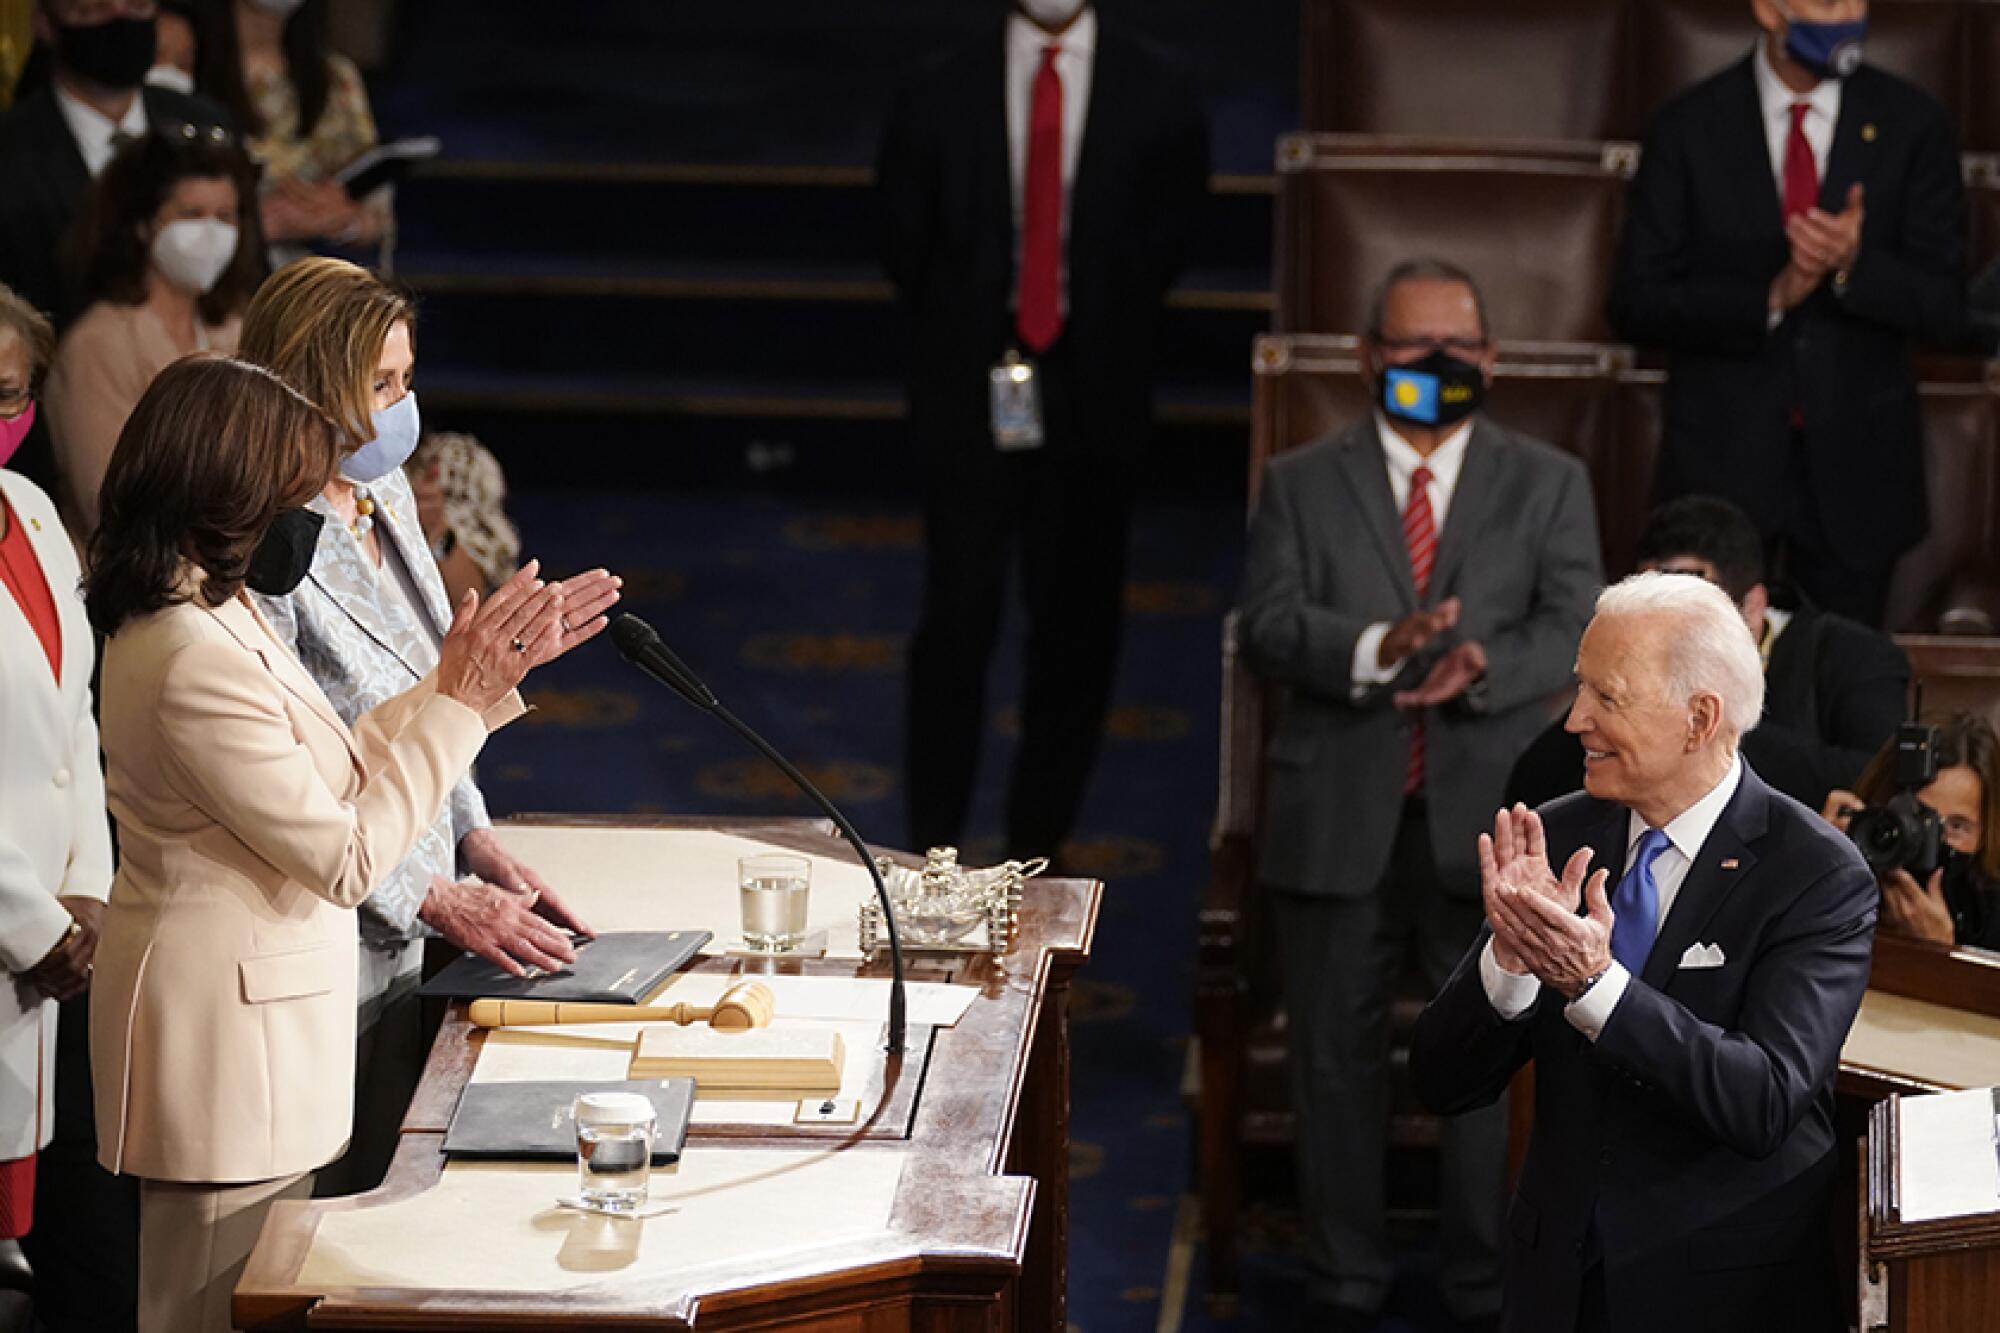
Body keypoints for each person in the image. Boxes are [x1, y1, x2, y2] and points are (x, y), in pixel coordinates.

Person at [84, 354, 608, 1333]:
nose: (309, 517)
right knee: (203, 1312)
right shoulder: (182, 651)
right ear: (228, 487)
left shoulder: (215, 603)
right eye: (292, 492)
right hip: (225, 1058)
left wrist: (474, 681)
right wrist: (455, 702)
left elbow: (337, 756)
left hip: (263, 1046)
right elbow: (346, 856)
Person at [1236, 258, 1602, 1332]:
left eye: (1457, 349)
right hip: (1335, 818)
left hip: (1493, 824)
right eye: (1411, 349)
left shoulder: (1549, 482)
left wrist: (1480, 659)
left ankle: (1485, 1287)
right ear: (1367, 359)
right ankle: (1342, 1286)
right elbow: (1261, 623)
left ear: (1488, 360)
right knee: (1331, 1063)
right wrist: (1371, 646)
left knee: (1491, 1064)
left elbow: (1578, 623)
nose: (1435, 367)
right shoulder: (1301, 479)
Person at [238, 256, 617, 1195]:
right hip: (325, 913)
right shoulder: (259, 539)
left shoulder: (385, 492)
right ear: (309, 386)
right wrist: (433, 895)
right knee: (325, 1204)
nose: (402, 407)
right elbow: (296, 763)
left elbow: (432, 683)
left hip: (415, 886)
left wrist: (471, 833)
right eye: (379, 385)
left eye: (408, 378)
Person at [1412, 572, 1877, 1333]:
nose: (1575, 721)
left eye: (1608, 697)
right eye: (1579, 689)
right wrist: (1510, 961)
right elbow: (1440, 1080)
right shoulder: (1560, 835)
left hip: (1719, 1296)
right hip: (1555, 1288)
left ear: (1699, 718)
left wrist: (1595, 984)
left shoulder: (1816, 874)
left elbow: (1761, 1101)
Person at [877, 0, 1209, 861]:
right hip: (970, 396)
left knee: (1077, 634)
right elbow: (906, 243)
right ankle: (931, 849)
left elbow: (1170, 236)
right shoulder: (937, 87)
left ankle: (1037, 844)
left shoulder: (1161, 90)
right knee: (956, 624)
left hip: (1096, 400)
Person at [1607, 0, 1965, 628]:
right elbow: (1636, 301)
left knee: (1838, 695)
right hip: (1720, 468)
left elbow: (1949, 307)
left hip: (1859, 475)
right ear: (1769, 9)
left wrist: (1854, 265)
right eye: (1827, 0)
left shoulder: (1912, 123)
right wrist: (1770, 296)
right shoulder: (1687, 125)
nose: (1849, 12)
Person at [1507, 494, 1907, 812]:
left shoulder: (1854, 658)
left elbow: (1882, 777)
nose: (1661, 628)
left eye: (1686, 611)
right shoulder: (1623, 670)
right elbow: (1537, 780)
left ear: (1752, 607)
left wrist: (1699, 725)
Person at [0, 284, 115, 1321]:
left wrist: (88, 888)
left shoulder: (34, 512)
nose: (0, 422)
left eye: (11, 398)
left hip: (53, 947)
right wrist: (32, 923)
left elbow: (75, 716)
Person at [43, 124, 261, 538]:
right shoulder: (98, 344)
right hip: (134, 585)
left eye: (225, 216)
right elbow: (106, 505)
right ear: (143, 224)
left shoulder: (238, 327)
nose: (211, 234)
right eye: (191, 215)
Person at [0, 0, 233, 325]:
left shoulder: (207, 123)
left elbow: (249, 269)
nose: (118, 18)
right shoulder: (10, 151)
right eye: (92, 9)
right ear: (45, 23)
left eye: (136, 6)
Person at [194, 0, 389, 256]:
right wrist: (254, 226)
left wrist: (341, 221)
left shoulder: (337, 78)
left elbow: (377, 215)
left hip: (307, 282)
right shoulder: (183, 68)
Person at [1823, 713, 2000, 951]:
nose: (1931, 838)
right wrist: (1815, 869)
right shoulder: (1843, 873)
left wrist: (1941, 950)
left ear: (1987, 836)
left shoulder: (1989, 913)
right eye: (1915, 817)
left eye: (1956, 826)